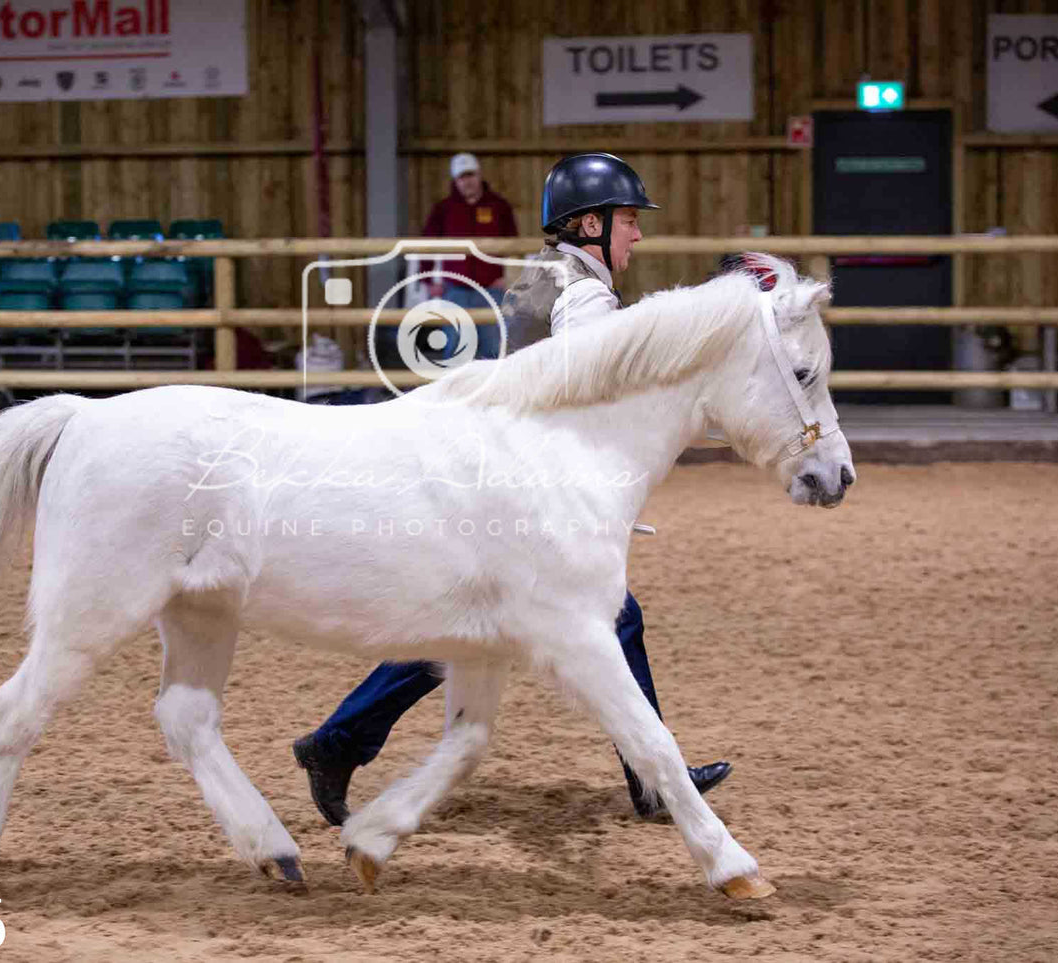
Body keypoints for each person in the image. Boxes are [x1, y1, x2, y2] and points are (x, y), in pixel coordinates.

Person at [293, 152, 733, 826]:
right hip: (519, 494)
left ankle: (339, 740)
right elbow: (590, 383)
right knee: (526, 622)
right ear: (588, 223)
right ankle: (338, 740)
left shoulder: (541, 275)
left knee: (491, 625)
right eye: (626, 221)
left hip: (496, 476)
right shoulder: (582, 291)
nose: (636, 235)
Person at [420, 152, 519, 359]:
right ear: (455, 181)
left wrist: (510, 277)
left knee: (492, 346)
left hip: (492, 288)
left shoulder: (499, 207)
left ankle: (494, 392)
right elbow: (427, 245)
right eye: (461, 177)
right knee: (455, 345)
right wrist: (428, 280)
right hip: (455, 289)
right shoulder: (443, 209)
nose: (467, 182)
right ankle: (455, 392)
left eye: (470, 175)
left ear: (479, 175)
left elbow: (514, 244)